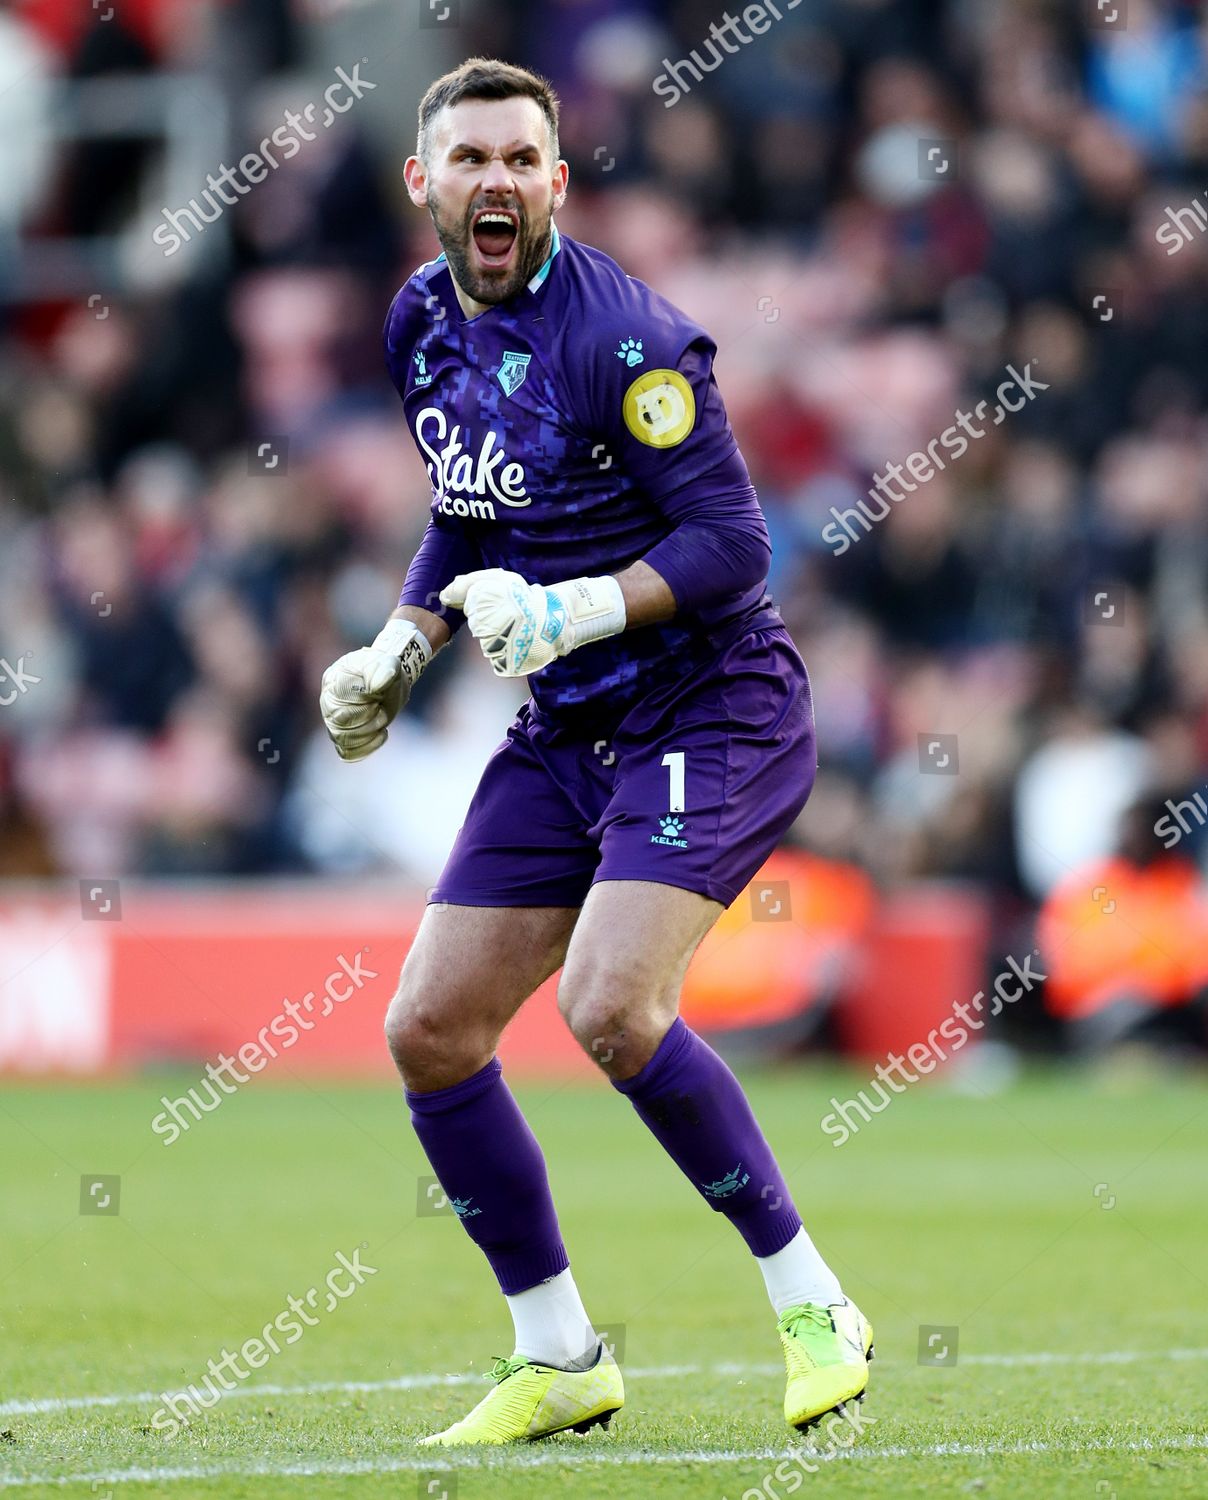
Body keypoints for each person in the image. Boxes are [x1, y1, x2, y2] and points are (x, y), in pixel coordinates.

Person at [318, 57, 872, 1447]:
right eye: (470, 159)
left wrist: (569, 605)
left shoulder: (628, 341)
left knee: (613, 1011)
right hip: (570, 724)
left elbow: (737, 547)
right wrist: (402, 643)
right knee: (429, 1030)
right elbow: (467, 507)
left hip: (709, 703)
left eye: (521, 160)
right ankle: (559, 1352)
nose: (494, 181)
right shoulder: (419, 324)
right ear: (423, 181)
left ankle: (814, 1304)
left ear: (558, 183)